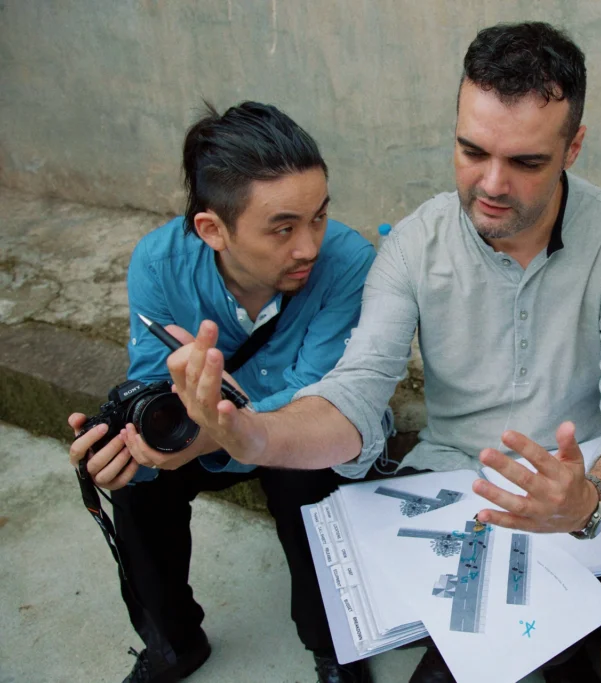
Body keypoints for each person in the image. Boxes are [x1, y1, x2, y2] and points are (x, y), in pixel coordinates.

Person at [163, 22, 601, 682]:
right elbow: (356, 394)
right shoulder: (412, 244)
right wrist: (246, 434)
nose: (491, 183)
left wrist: (590, 498)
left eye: (526, 162)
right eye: (471, 150)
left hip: (582, 506)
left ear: (573, 146)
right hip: (457, 496)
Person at [68, 101, 379, 683]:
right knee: (136, 486)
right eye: (283, 228)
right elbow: (152, 385)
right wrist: (130, 446)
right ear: (212, 229)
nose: (310, 245)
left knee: (311, 470)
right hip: (205, 428)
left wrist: (224, 427)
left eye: (319, 217)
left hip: (284, 426)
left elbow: (319, 396)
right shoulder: (158, 265)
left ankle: (333, 643)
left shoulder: (348, 262)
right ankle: (173, 642)